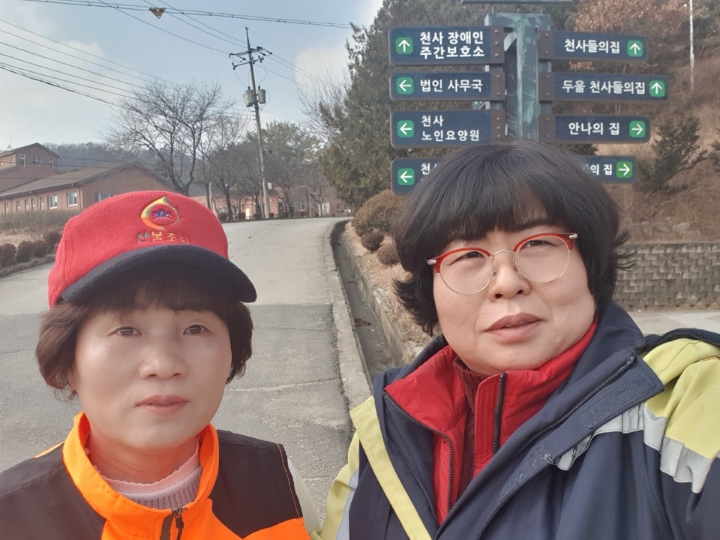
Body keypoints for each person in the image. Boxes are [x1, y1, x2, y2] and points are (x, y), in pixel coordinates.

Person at [314, 141, 720, 540]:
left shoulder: (682, 401)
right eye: (468, 255)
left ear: (590, 263)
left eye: (538, 243)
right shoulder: (386, 430)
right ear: (429, 287)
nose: (507, 282)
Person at [0, 191, 318, 539]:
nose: (164, 365)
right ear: (68, 358)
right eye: (126, 330)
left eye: (195, 328)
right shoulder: (12, 516)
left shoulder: (279, 485)